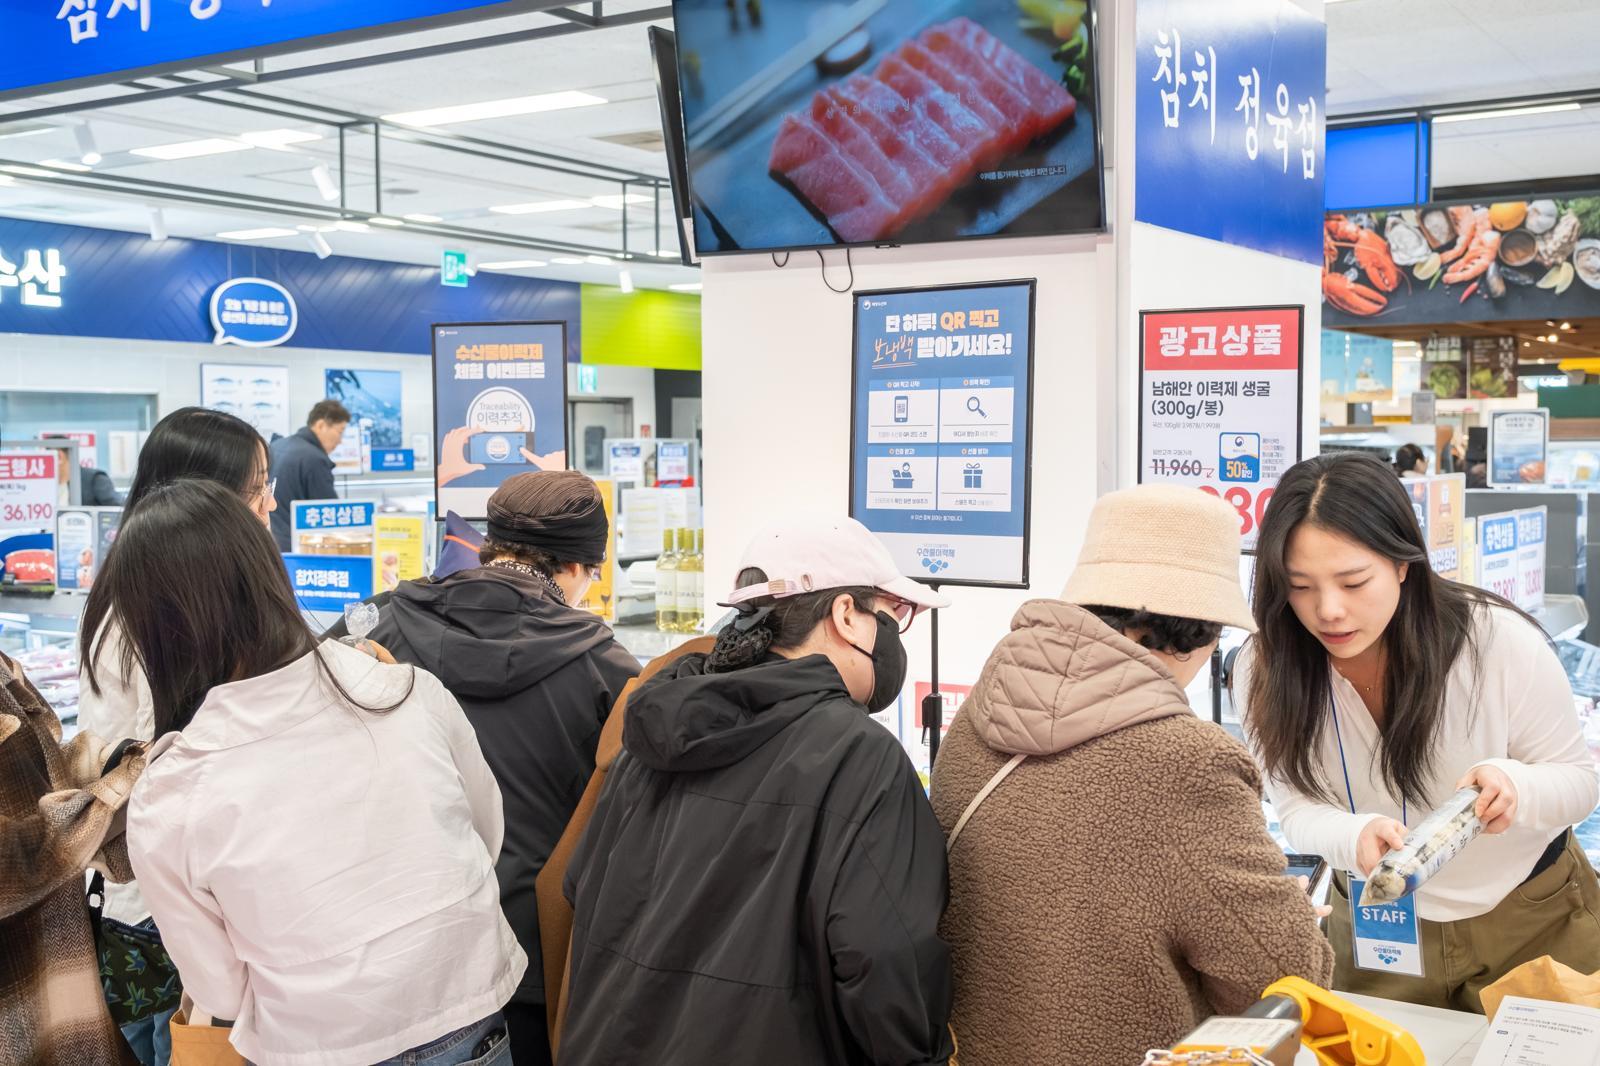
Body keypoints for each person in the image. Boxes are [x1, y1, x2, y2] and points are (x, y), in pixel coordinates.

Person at [102, 480, 525, 1066]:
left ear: (154, 632)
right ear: (267, 574)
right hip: (467, 1014)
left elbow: (221, 991)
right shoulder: (402, 689)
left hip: (320, 1042)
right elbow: (486, 832)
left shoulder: (173, 792)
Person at [932, 485, 1333, 1065]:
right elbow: (1283, 976)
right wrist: (1291, 917)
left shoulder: (979, 713)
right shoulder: (1187, 760)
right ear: (1204, 630)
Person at [560, 516, 955, 1066]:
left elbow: (583, 889)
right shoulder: (859, 756)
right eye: (893, 616)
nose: (896, 637)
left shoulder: (655, 727)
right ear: (846, 614)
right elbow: (887, 962)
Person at [1237, 452, 1600, 1013]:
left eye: (1354, 581)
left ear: (1404, 563)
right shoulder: (1266, 667)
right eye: (1300, 586)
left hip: (1531, 916)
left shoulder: (1495, 641)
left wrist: (1516, 786)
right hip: (1376, 925)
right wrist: (1351, 835)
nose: (1328, 611)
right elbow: (1297, 810)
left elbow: (1579, 781)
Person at [371, 471, 640, 1065]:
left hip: (400, 945)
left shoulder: (382, 625)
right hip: (538, 950)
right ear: (575, 567)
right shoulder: (606, 667)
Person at [76, 405, 276, 1064]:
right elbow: (138, 773)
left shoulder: (169, 595)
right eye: (258, 486)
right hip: (162, 905)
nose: (271, 504)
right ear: (203, 500)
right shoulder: (149, 616)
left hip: (172, 896)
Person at [0, 651, 145, 1066]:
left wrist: (113, 761)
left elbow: (37, 769)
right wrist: (113, 792)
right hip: (17, 999)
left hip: (62, 966)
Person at [268, 399, 349, 551]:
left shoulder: (278, 446)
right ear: (321, 425)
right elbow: (329, 514)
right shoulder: (314, 459)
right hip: (297, 547)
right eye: (340, 431)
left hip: (271, 540)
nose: (340, 441)